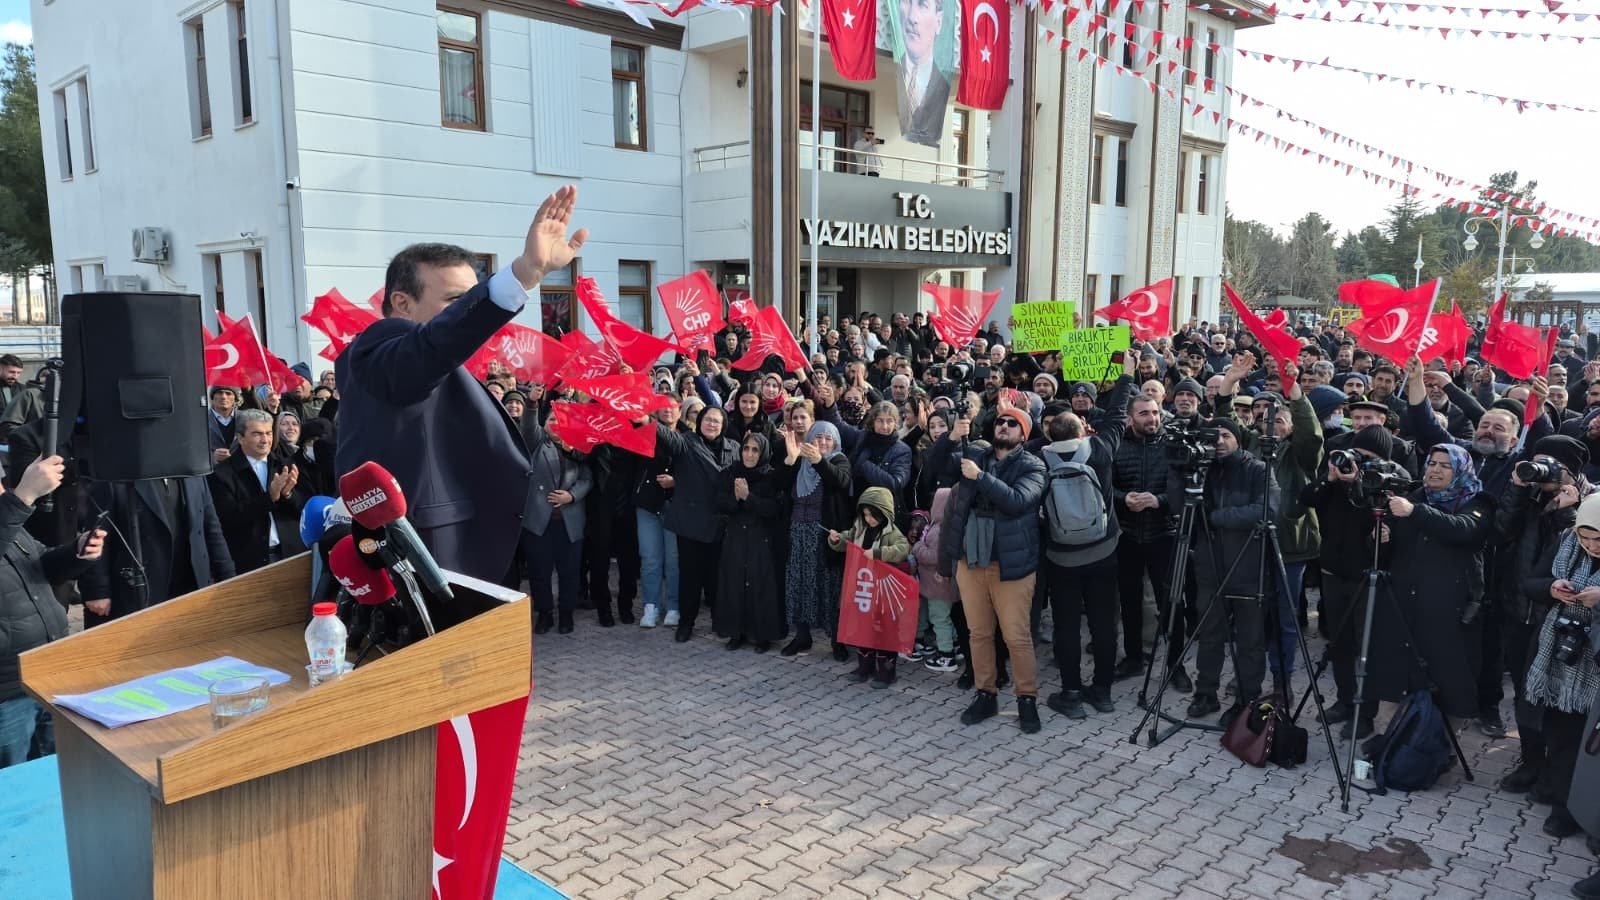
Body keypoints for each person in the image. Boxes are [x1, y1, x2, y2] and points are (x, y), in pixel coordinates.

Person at [336, 186, 587, 584]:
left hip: (469, 552)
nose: (468, 313)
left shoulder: (435, 359)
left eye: (473, 298)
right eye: (457, 300)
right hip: (431, 560)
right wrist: (521, 275)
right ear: (402, 303)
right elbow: (434, 344)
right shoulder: (378, 350)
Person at [935, 402, 1048, 733]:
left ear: (1024, 434)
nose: (1004, 427)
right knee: (979, 633)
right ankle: (986, 693)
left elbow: (1016, 501)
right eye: (1000, 422)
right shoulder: (977, 455)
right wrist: (951, 439)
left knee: (1016, 636)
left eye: (1012, 424)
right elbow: (936, 466)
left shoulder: (1033, 466)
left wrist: (981, 478)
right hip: (971, 562)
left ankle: (1026, 698)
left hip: (1011, 567)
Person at [1369, 444, 1494, 721]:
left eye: (1445, 465)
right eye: (1432, 463)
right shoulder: (1414, 496)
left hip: (1448, 611)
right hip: (1404, 607)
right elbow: (1386, 554)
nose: (1435, 470)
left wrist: (1415, 512)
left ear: (1461, 470)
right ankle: (1389, 747)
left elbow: (1464, 530)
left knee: (1448, 682)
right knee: (1396, 681)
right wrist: (1382, 538)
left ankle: (1440, 751)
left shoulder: (1477, 502)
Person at [0, 456, 105, 768]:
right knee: (14, 793)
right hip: (6, 694)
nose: (3, 488)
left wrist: (78, 552)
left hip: (45, 673)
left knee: (56, 777)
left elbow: (39, 564)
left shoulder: (7, 518)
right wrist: (24, 497)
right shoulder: (9, 511)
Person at [1176, 417, 1275, 726]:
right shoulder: (1203, 469)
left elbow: (1267, 510)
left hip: (1248, 567)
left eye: (1224, 435)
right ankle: (1205, 694)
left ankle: (1247, 700)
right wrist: (1177, 469)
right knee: (1210, 635)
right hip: (1210, 567)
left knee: (1249, 640)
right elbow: (1180, 506)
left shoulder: (1257, 469)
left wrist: (1219, 517)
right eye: (1213, 436)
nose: (1218, 441)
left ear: (1238, 439)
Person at [650, 406, 738, 643]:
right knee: (689, 577)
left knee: (717, 578)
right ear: (699, 422)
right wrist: (644, 418)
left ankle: (720, 621)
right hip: (691, 523)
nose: (711, 424)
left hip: (721, 523)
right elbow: (665, 435)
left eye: (716, 421)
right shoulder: (686, 442)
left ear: (723, 425)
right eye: (707, 420)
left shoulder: (734, 447)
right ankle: (686, 623)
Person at [779, 422, 854, 658]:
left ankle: (836, 640)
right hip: (797, 532)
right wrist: (790, 460)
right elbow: (778, 484)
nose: (822, 442)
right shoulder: (799, 461)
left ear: (835, 442)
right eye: (817, 437)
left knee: (828, 586)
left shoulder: (839, 459)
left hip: (823, 535)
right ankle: (802, 637)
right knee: (798, 583)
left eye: (828, 438)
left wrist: (819, 461)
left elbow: (839, 481)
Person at [207, 409, 309, 574]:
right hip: (250, 561)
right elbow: (227, 518)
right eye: (257, 434)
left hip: (291, 554)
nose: (265, 440)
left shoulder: (286, 465)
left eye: (269, 433)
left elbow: (304, 508)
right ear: (240, 438)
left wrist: (288, 495)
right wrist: (269, 498)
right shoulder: (222, 474)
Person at [829, 487, 912, 687]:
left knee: (884, 631)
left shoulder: (892, 532)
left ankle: (886, 673)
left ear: (884, 513)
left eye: (873, 515)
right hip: (863, 587)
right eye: (865, 515)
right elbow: (848, 538)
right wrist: (837, 539)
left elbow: (903, 549)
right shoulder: (860, 527)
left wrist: (877, 554)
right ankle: (864, 667)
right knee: (863, 628)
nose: (869, 519)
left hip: (883, 591)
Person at [521, 408, 593, 635]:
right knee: (539, 572)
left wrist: (571, 496)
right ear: (544, 423)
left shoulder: (578, 446)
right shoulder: (536, 442)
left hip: (569, 522)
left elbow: (587, 478)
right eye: (552, 419)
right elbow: (529, 424)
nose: (556, 423)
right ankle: (544, 614)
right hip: (539, 523)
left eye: (561, 420)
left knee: (569, 571)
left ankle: (566, 614)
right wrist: (532, 403)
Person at [715, 434, 785, 652]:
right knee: (734, 584)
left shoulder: (771, 476)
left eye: (755, 450)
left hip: (760, 538)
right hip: (736, 536)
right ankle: (736, 632)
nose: (750, 454)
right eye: (746, 449)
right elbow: (720, 503)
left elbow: (772, 509)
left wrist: (748, 497)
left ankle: (762, 635)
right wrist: (736, 499)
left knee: (760, 586)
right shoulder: (730, 473)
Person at [894, 0, 952, 146]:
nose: (912, 17)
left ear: (938, 22)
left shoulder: (942, 85)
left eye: (922, 5)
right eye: (907, 2)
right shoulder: (899, 69)